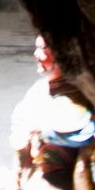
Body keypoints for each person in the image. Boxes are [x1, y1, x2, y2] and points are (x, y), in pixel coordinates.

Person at [10, 35, 95, 188]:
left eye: (42, 49)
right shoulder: (39, 91)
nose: (36, 54)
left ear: (58, 55)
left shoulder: (79, 98)